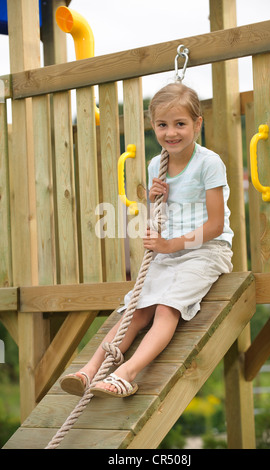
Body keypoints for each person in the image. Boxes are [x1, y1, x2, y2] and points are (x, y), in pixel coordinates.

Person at [60, 82, 233, 398]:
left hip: (206, 250)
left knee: (167, 308)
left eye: (180, 124)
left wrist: (169, 245)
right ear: (153, 125)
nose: (171, 133)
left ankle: (126, 374)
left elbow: (216, 225)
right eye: (162, 125)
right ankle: (89, 371)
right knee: (135, 312)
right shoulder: (158, 164)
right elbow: (160, 221)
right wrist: (155, 202)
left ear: (197, 123)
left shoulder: (209, 163)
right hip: (171, 251)